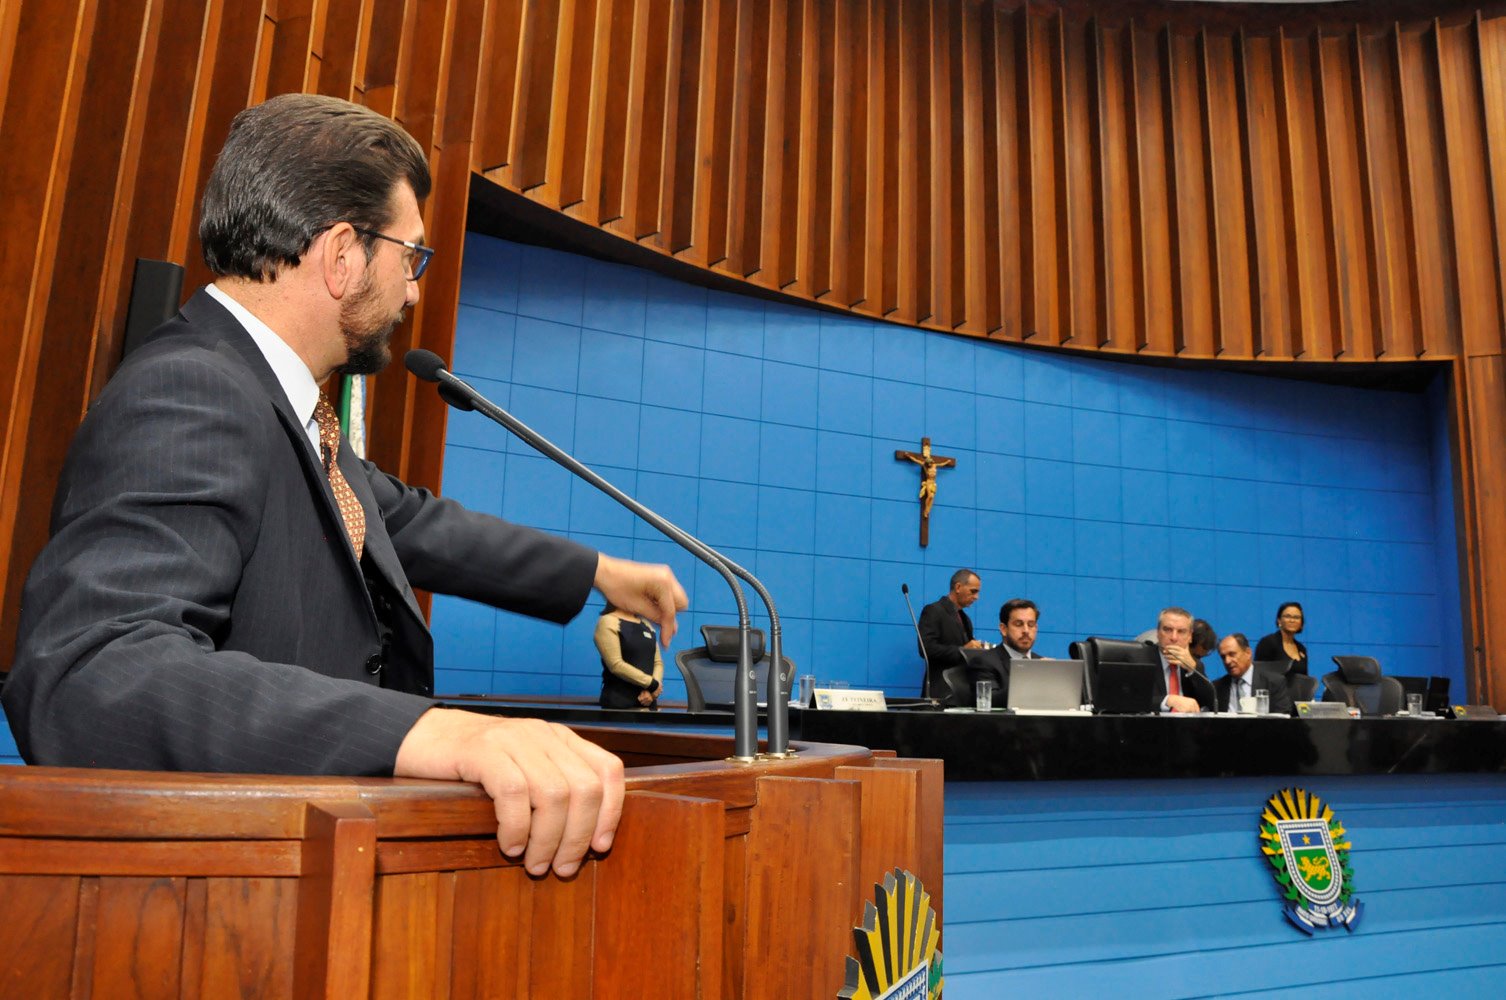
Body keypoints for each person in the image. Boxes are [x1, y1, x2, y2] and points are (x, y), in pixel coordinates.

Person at [0, 94, 689, 881]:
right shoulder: (193, 391)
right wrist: (433, 734)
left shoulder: (282, 410)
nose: (414, 290)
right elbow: (93, 670)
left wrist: (600, 572)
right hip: (223, 898)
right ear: (341, 255)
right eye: (411, 255)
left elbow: (417, 525)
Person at [917, 569, 984, 697]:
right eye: (973, 591)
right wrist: (963, 650)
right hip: (940, 692)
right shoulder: (933, 610)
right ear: (958, 587)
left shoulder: (965, 619)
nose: (976, 597)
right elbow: (925, 648)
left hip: (962, 692)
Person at [595, 605, 663, 709]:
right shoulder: (607, 621)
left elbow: (657, 662)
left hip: (648, 701)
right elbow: (616, 665)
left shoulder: (646, 624)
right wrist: (652, 685)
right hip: (619, 702)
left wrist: (652, 692)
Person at [1151, 607, 1215, 713]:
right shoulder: (1142, 659)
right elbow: (1130, 701)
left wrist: (1193, 669)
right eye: (1167, 630)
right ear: (1158, 633)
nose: (1174, 637)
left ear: (1190, 637)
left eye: (1181, 631)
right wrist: (1167, 700)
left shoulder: (1195, 665)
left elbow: (1211, 704)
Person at [1213, 633, 1293, 715]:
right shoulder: (1216, 688)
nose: (1227, 661)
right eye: (1223, 657)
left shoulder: (1274, 683)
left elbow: (1283, 716)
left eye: (1232, 654)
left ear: (1248, 653)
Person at [1254, 602, 1309, 676]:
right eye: (1287, 616)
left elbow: (1305, 678)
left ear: (1301, 623)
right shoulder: (1268, 642)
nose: (1292, 620)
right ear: (1279, 620)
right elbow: (1258, 673)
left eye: (1296, 617)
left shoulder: (1301, 648)